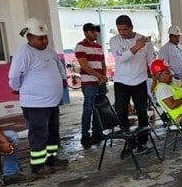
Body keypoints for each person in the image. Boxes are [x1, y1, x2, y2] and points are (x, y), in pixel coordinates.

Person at [8, 18, 69, 175]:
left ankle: (51, 159)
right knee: (39, 133)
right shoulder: (24, 53)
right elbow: (14, 76)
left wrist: (63, 79)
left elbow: (59, 66)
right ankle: (38, 165)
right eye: (40, 38)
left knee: (53, 132)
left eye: (45, 37)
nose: (44, 41)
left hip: (52, 101)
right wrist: (16, 88)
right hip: (35, 103)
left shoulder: (50, 50)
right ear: (29, 38)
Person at [109, 15, 155, 154]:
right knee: (121, 112)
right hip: (121, 81)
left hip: (140, 81)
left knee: (142, 112)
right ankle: (130, 142)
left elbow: (151, 60)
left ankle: (142, 143)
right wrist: (136, 47)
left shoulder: (144, 41)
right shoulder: (115, 40)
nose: (122, 32)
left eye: (125, 29)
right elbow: (120, 58)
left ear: (131, 27)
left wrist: (155, 78)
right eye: (119, 30)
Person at [75, 23, 108, 146]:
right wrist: (99, 76)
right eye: (93, 31)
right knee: (88, 108)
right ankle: (85, 135)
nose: (96, 33)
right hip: (89, 83)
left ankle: (97, 133)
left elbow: (103, 64)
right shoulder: (80, 46)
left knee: (99, 109)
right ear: (86, 32)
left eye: (96, 31)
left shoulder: (99, 47)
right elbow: (84, 66)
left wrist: (103, 76)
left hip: (100, 82)